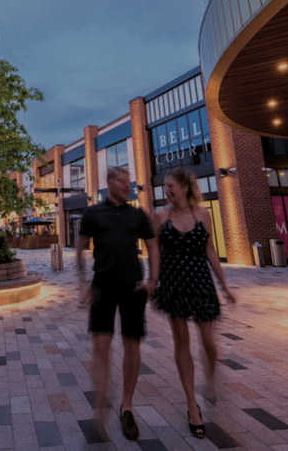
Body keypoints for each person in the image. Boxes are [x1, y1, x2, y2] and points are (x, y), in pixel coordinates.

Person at [76, 166, 160, 441]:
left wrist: (153, 280)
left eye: (128, 181)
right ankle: (99, 409)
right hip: (102, 286)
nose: (127, 185)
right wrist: (81, 284)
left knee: (131, 345)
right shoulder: (92, 213)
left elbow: (153, 246)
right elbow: (80, 249)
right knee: (100, 348)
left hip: (133, 287)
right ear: (108, 183)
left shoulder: (138, 214)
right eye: (121, 181)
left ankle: (127, 405)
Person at [152, 168, 236, 439]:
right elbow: (153, 252)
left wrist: (225, 286)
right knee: (182, 343)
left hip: (200, 282)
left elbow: (209, 250)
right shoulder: (160, 216)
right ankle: (192, 405)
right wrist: (152, 280)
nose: (167, 190)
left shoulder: (203, 214)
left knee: (210, 344)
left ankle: (210, 379)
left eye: (171, 186)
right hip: (174, 283)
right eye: (165, 187)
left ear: (186, 188)